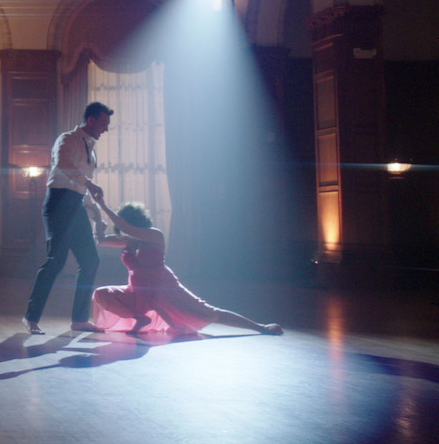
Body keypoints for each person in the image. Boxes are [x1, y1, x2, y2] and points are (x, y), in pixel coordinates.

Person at [91, 198, 283, 336]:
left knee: (210, 313)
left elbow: (126, 228)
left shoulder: (154, 235)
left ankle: (261, 327)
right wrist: (97, 214)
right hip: (139, 292)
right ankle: (140, 317)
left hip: (163, 289)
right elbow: (100, 240)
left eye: (125, 222)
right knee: (102, 293)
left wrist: (102, 204)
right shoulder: (129, 240)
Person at [22, 102, 113, 335]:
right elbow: (62, 164)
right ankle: (31, 317)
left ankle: (80, 320)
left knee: (90, 260)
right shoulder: (67, 139)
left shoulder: (92, 150)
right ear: (91, 120)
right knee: (56, 260)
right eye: (103, 123)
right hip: (58, 203)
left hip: (76, 205)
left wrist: (96, 216)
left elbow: (84, 190)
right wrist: (90, 184)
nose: (105, 129)